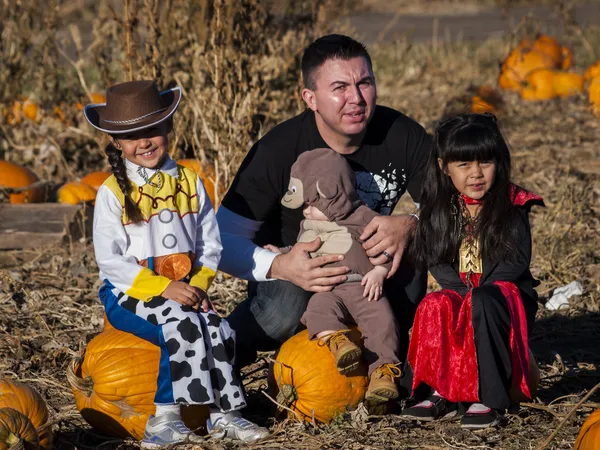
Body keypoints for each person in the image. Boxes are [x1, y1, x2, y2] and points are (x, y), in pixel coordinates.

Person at [216, 35, 432, 388]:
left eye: (365, 82)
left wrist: (411, 223)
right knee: (284, 311)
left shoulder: (402, 135)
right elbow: (220, 239)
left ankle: (399, 362)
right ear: (310, 98)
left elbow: (454, 207)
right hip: (300, 277)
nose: (357, 98)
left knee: (420, 243)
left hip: (368, 278)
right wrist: (280, 265)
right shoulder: (278, 150)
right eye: (340, 87)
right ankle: (222, 354)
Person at [84, 80, 269, 447]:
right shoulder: (111, 193)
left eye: (152, 129)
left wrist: (198, 285)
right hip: (129, 293)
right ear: (117, 143)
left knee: (218, 328)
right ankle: (163, 419)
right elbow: (110, 261)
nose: (145, 141)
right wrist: (165, 288)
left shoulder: (190, 181)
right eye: (133, 136)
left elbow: (209, 244)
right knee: (181, 328)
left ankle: (224, 414)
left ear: (168, 127)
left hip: (187, 287)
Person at [401, 113, 544, 430]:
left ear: (499, 161)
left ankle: (489, 398)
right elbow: (436, 258)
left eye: (485, 162)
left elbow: (515, 263)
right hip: (460, 292)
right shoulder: (439, 208)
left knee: (482, 301)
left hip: (503, 297)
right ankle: (436, 390)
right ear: (444, 167)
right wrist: (460, 295)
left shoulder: (512, 204)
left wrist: (473, 298)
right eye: (464, 165)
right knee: (434, 304)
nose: (476, 173)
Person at [273, 148, 402, 404]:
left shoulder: (363, 217)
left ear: (330, 194)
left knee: (384, 323)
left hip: (364, 288)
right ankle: (338, 343)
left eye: (311, 204)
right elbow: (300, 250)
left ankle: (383, 375)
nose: (306, 212)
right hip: (328, 291)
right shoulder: (307, 225)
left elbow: (387, 248)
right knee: (317, 310)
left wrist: (378, 272)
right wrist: (281, 253)